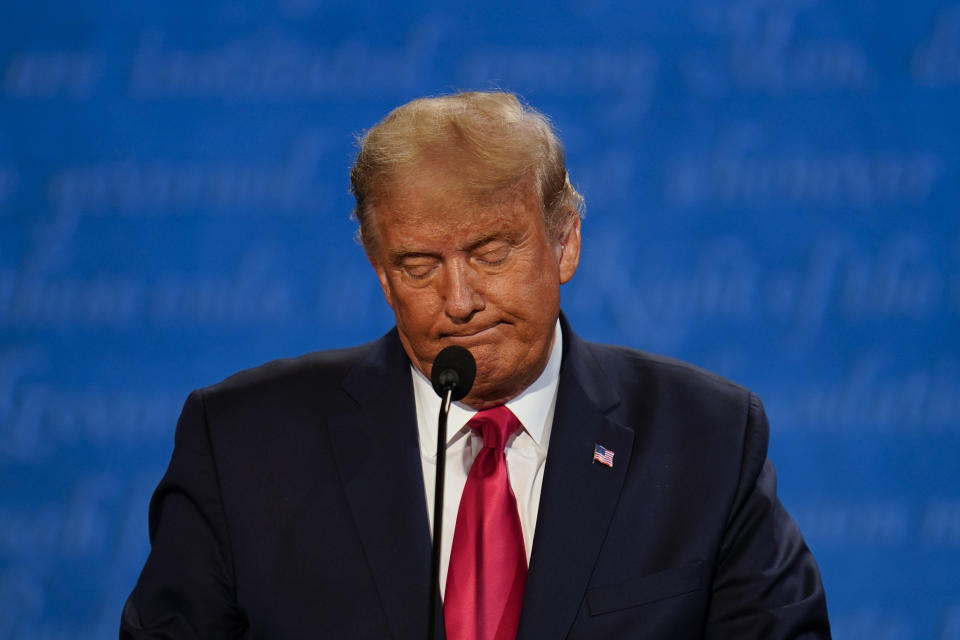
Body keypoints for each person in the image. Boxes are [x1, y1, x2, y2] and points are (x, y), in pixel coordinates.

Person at [120, 91, 830, 639]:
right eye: (420, 265)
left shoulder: (705, 438)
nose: (459, 302)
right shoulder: (244, 444)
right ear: (380, 272)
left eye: (491, 253)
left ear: (565, 243)